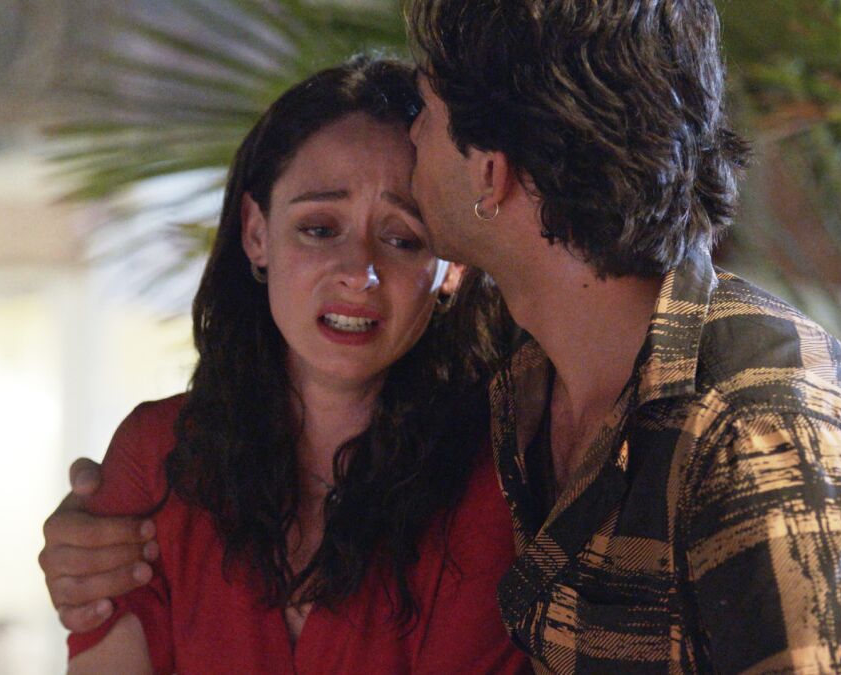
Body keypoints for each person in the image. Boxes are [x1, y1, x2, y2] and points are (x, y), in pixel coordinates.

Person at [42, 2, 841, 673]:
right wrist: (92, 534)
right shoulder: (526, 400)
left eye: (426, 113)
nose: (410, 138)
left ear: (489, 172)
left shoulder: (762, 426)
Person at [55, 56, 528, 673]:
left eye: (402, 238)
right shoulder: (156, 456)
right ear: (257, 233)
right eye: (319, 228)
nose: (359, 272)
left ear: (452, 268)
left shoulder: (498, 477)